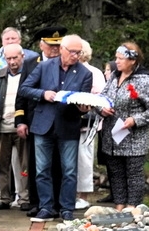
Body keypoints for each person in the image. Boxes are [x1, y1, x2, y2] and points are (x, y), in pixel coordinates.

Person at [22, 34, 96, 220]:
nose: (75, 56)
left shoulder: (85, 73)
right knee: (42, 170)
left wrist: (83, 108)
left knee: (69, 171)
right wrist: (43, 94)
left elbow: (83, 101)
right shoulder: (44, 66)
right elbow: (25, 89)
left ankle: (66, 209)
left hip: (68, 125)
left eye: (78, 52)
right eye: (72, 52)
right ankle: (46, 207)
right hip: (43, 125)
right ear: (62, 49)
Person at [97, 42, 149, 209]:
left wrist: (135, 119)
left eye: (121, 58)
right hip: (112, 136)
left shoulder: (144, 80)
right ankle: (119, 205)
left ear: (132, 60)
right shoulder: (114, 77)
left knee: (133, 174)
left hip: (134, 138)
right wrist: (102, 109)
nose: (116, 62)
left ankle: (133, 207)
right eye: (116, 58)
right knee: (115, 173)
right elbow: (101, 99)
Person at [0, 44, 34, 210]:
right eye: (8, 58)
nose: (12, 61)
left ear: (22, 56)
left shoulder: (29, 75)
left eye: (15, 57)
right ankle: (3, 197)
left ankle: (24, 198)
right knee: (1, 164)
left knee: (24, 164)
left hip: (22, 126)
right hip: (2, 125)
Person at [74, 40, 107, 207]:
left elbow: (102, 97)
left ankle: (83, 196)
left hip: (88, 122)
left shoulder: (94, 72)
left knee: (84, 159)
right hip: (68, 121)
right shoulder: (67, 70)